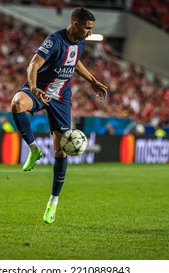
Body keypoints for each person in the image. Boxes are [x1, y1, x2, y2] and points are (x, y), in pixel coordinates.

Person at [11, 7, 108, 224]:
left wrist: (92, 81)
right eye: (87, 28)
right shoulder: (54, 40)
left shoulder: (80, 41)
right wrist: (34, 88)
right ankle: (34, 150)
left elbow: (75, 62)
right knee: (17, 103)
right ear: (74, 24)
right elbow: (33, 64)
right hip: (41, 90)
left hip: (61, 98)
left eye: (92, 29)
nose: (89, 33)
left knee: (61, 150)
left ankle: (53, 202)